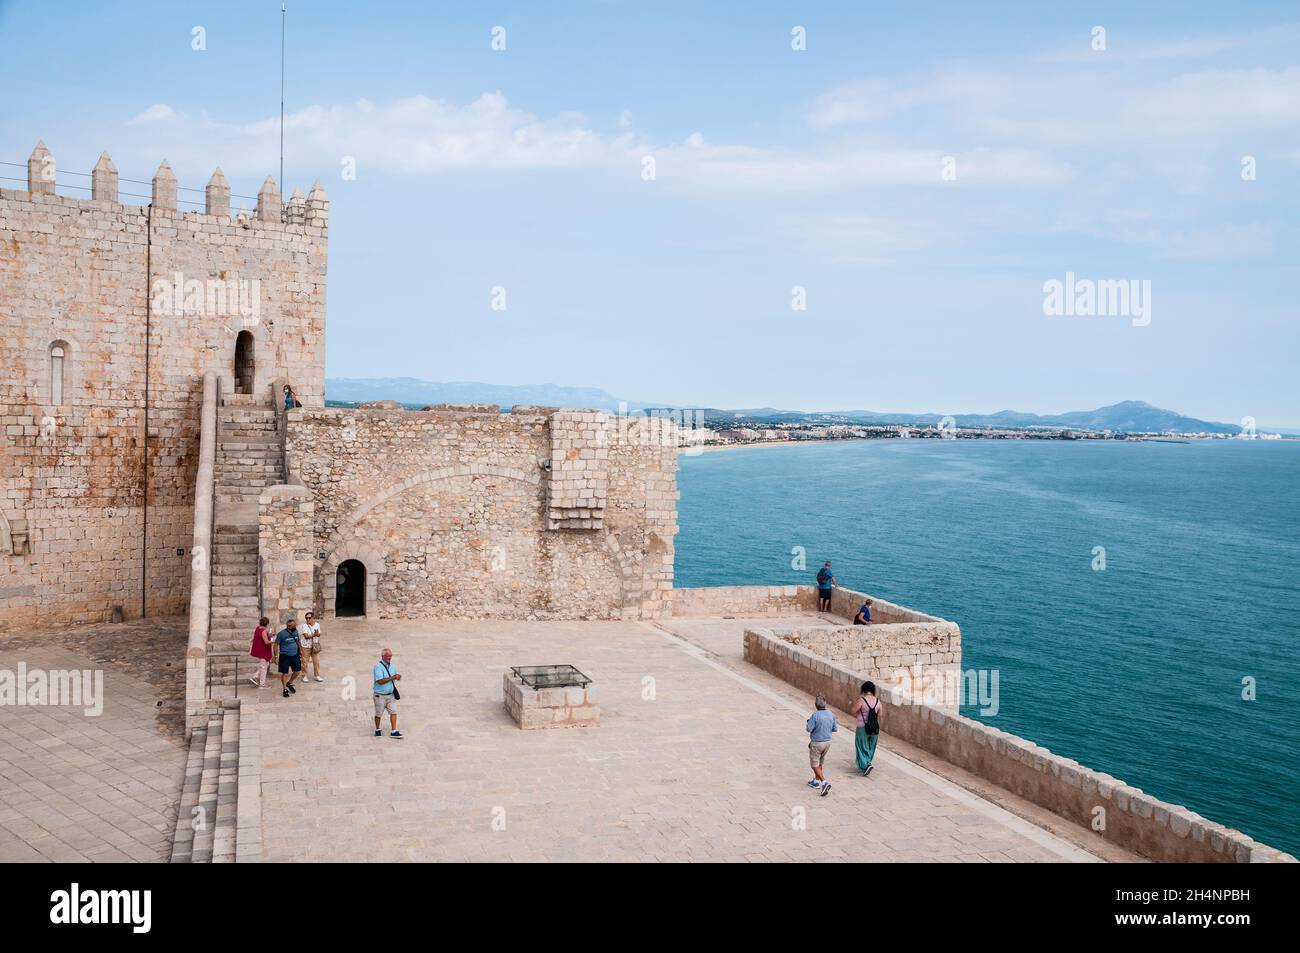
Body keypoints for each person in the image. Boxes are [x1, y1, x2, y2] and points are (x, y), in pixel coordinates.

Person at [805, 693, 836, 796]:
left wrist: (809, 722)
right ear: (825, 703)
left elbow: (809, 729)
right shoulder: (831, 714)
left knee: (814, 764)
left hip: (817, 743)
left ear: (816, 705)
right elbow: (834, 728)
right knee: (820, 762)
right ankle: (816, 781)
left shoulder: (815, 715)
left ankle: (824, 782)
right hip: (827, 743)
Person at [851, 681, 883, 776]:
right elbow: (880, 714)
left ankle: (865, 765)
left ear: (864, 689)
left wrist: (859, 714)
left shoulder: (862, 700)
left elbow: (853, 710)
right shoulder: (878, 701)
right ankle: (868, 762)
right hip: (875, 728)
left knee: (861, 746)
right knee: (870, 746)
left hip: (862, 727)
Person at [373, 647, 402, 739]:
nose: (390, 657)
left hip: (391, 695)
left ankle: (394, 731)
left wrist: (398, 677)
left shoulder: (392, 666)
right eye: (388, 656)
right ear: (383, 656)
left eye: (390, 655)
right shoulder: (378, 667)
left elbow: (395, 675)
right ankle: (377, 729)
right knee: (379, 713)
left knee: (394, 712)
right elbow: (380, 681)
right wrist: (393, 677)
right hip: (379, 695)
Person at [275, 617, 303, 698]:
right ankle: (284, 689)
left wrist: (300, 650)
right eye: (294, 625)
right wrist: (276, 656)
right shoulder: (281, 634)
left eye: (295, 625)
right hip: (284, 656)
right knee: (284, 673)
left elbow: (298, 641)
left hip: (295, 655)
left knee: (297, 671)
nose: (295, 626)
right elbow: (276, 644)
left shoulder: (296, 631)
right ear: (288, 626)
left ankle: (289, 682)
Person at [248, 616, 273, 688]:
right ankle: (262, 684)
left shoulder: (257, 629)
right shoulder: (264, 631)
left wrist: (269, 635)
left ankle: (255, 676)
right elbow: (266, 642)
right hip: (263, 651)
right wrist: (272, 640)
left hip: (259, 650)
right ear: (267, 624)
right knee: (264, 667)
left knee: (264, 665)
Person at [300, 612, 323, 682]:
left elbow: (319, 634)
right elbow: (306, 636)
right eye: (306, 618)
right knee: (304, 662)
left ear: (313, 618)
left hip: (314, 645)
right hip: (305, 646)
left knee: (316, 661)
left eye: (309, 618)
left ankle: (317, 675)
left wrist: (317, 634)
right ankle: (304, 676)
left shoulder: (317, 625)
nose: (307, 619)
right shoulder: (304, 626)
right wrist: (314, 634)